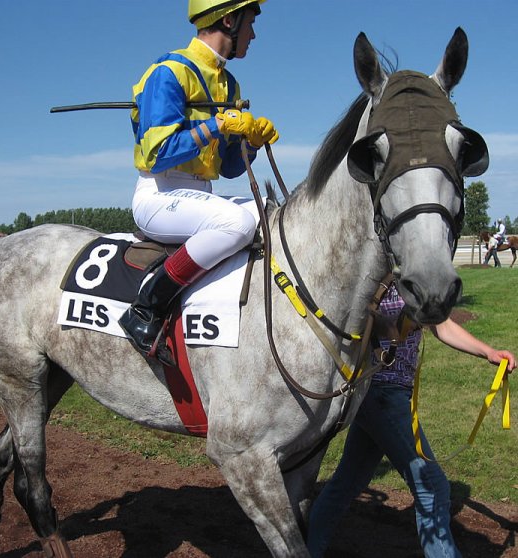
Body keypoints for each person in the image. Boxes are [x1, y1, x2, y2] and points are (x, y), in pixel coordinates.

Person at [119, 0, 279, 365]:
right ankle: (146, 308)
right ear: (229, 19)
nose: (253, 35)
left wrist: (251, 144)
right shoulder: (169, 72)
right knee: (236, 222)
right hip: (160, 194)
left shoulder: (228, 83)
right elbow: (157, 151)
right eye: (250, 24)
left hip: (199, 195)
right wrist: (216, 125)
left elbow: (228, 168)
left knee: (273, 213)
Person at [307, 282, 516, 558]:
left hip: (388, 395)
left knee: (346, 483)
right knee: (433, 487)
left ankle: (303, 549)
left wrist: (488, 351)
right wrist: (384, 325)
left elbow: (440, 324)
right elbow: (351, 316)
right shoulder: (373, 275)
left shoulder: (415, 280)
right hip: (379, 392)